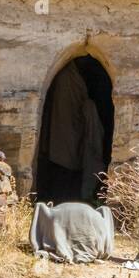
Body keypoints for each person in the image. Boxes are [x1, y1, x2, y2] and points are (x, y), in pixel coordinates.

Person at [38, 60, 106, 203]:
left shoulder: (70, 79)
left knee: (65, 174)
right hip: (64, 138)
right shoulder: (67, 78)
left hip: (64, 141)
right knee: (64, 176)